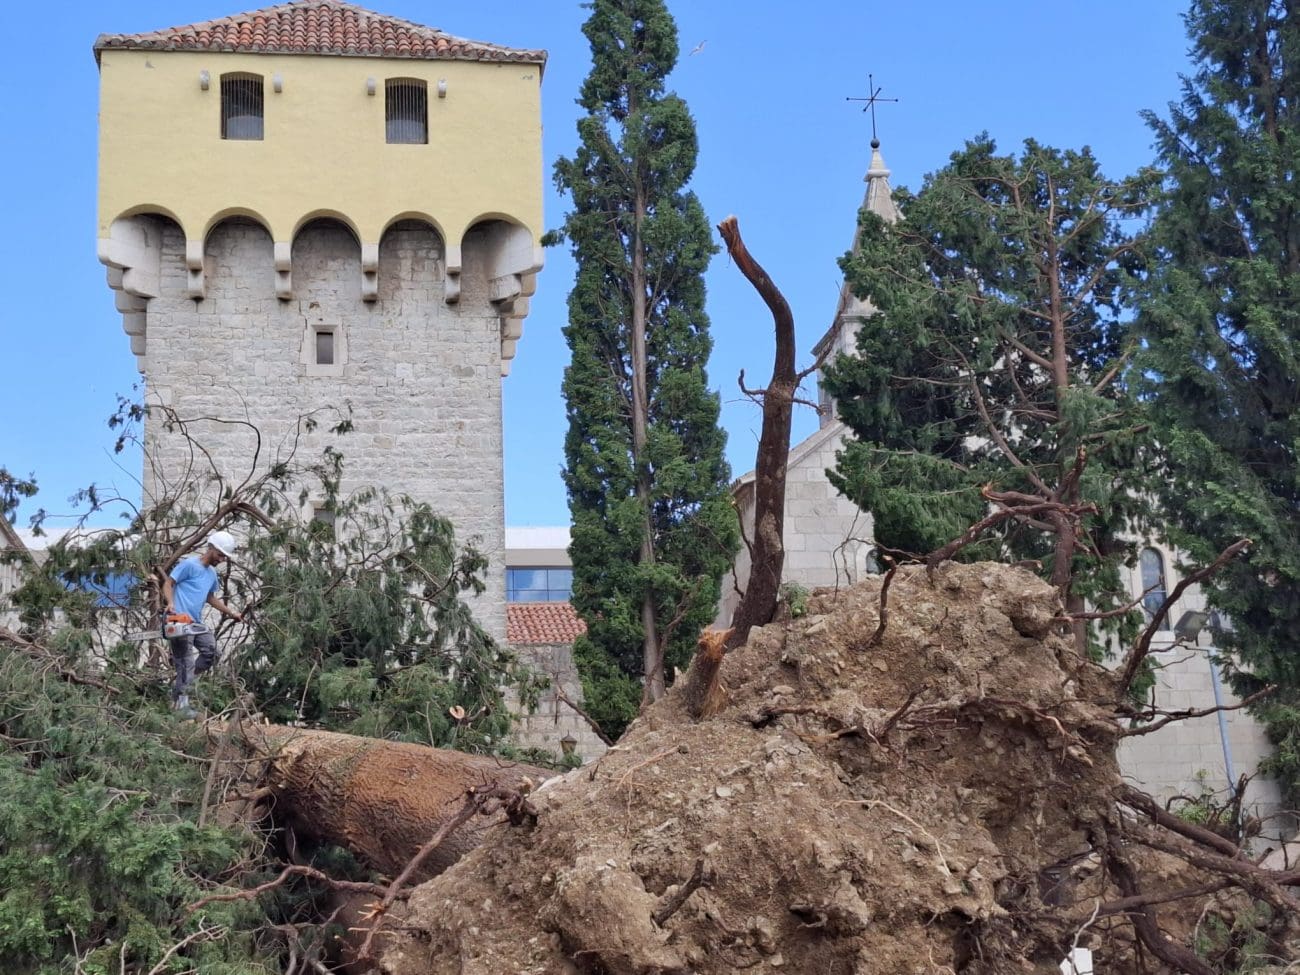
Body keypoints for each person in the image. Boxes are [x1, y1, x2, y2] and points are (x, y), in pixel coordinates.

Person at [163, 530, 244, 716]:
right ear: (211, 548)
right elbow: (168, 583)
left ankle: (182, 683)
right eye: (220, 555)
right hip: (178, 620)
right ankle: (181, 706)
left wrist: (232, 613)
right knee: (186, 662)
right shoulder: (189, 565)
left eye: (224, 557)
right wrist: (170, 603)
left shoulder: (211, 574)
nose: (222, 559)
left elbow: (210, 597)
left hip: (195, 622)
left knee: (212, 653)